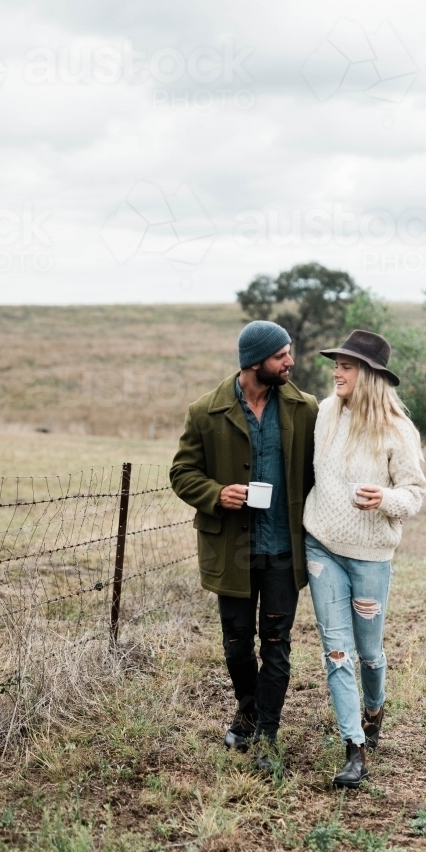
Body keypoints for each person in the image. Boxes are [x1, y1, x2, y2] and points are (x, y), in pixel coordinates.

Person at [170, 321, 318, 771]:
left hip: (283, 549)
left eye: (289, 353)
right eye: (281, 355)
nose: (290, 362)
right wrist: (217, 493)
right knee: (236, 643)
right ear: (255, 362)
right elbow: (181, 473)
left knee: (276, 642)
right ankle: (249, 711)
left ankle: (267, 735)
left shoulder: (305, 408)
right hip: (231, 550)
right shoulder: (204, 412)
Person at [303, 330, 426, 789]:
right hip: (321, 546)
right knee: (337, 652)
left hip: (371, 555)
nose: (336, 372)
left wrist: (386, 499)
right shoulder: (324, 414)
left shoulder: (397, 429)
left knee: (369, 652)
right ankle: (353, 749)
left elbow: (414, 493)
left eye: (346, 366)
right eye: (336, 364)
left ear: (370, 375)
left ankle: (375, 709)